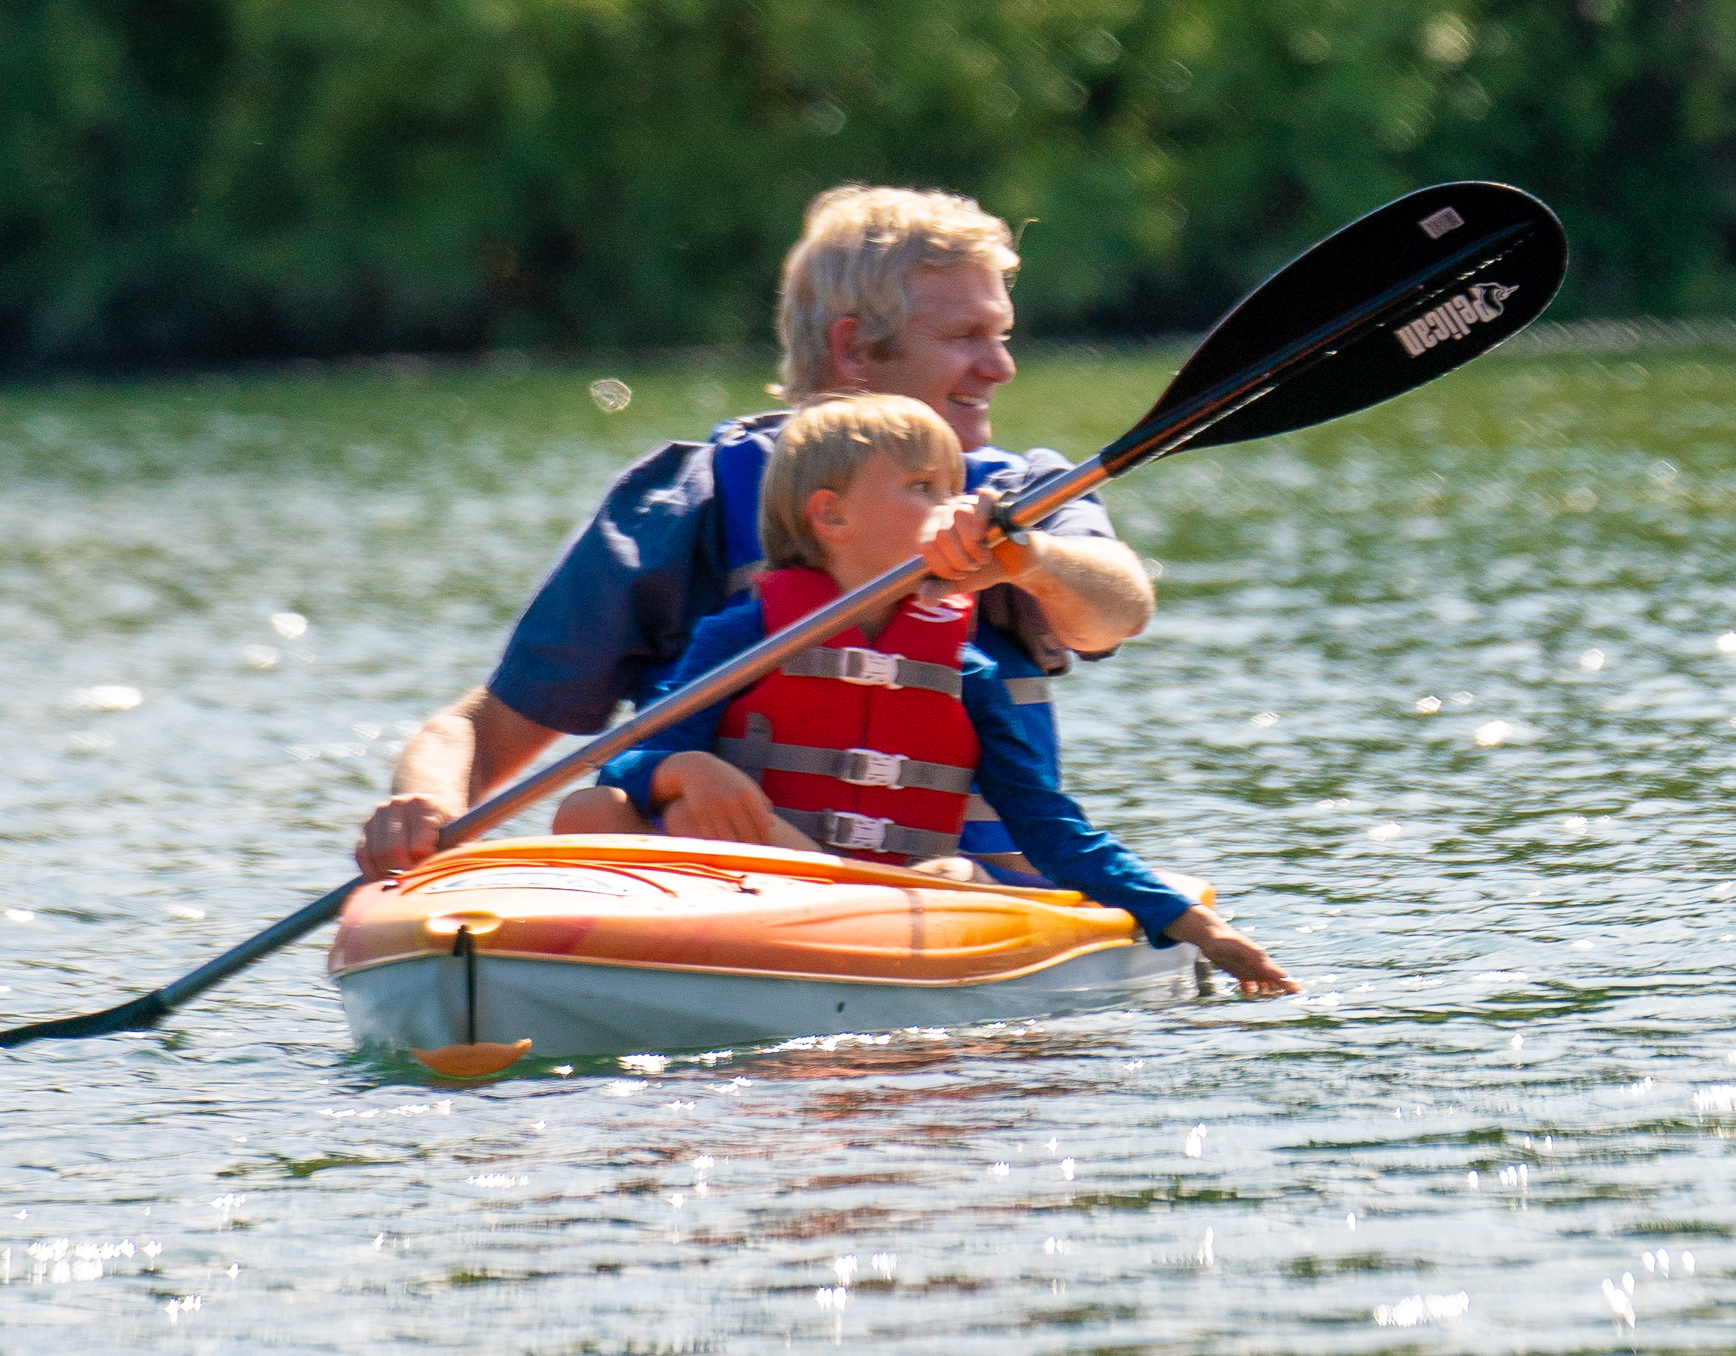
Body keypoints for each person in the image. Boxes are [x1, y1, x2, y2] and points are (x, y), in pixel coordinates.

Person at [349, 188, 1158, 874]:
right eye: (963, 339)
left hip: (959, 898)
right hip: (738, 897)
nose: (1000, 367)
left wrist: (1032, 559)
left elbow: (1116, 609)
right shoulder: (681, 506)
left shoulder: (1016, 495)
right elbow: (478, 730)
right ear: (853, 350)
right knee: (590, 807)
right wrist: (420, 805)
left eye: (1001, 335)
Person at [603, 394, 1291, 994]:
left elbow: (1048, 828)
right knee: (593, 808)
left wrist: (1192, 923)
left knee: (960, 876)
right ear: (831, 517)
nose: (955, 509)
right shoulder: (742, 639)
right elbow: (626, 768)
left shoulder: (966, 674)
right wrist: (678, 768)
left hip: (886, 905)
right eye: (924, 487)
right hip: (757, 893)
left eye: (958, 488)